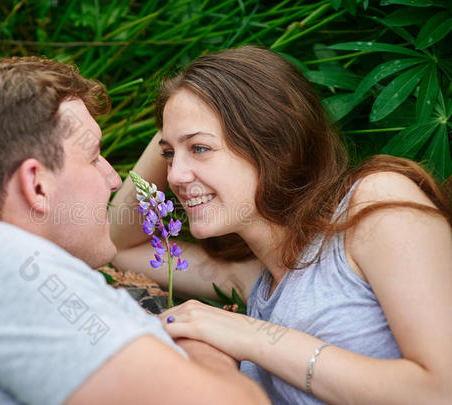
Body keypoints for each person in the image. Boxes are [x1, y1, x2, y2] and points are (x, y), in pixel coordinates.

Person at [0, 57, 270, 405]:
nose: (114, 179)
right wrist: (202, 344)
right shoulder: (2, 268)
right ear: (37, 185)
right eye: (95, 156)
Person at [110, 45, 452, 404]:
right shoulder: (253, 277)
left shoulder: (373, 206)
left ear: (273, 143)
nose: (176, 175)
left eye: (199, 148)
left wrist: (252, 335)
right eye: (169, 155)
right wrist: (177, 119)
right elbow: (123, 245)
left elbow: (441, 390)